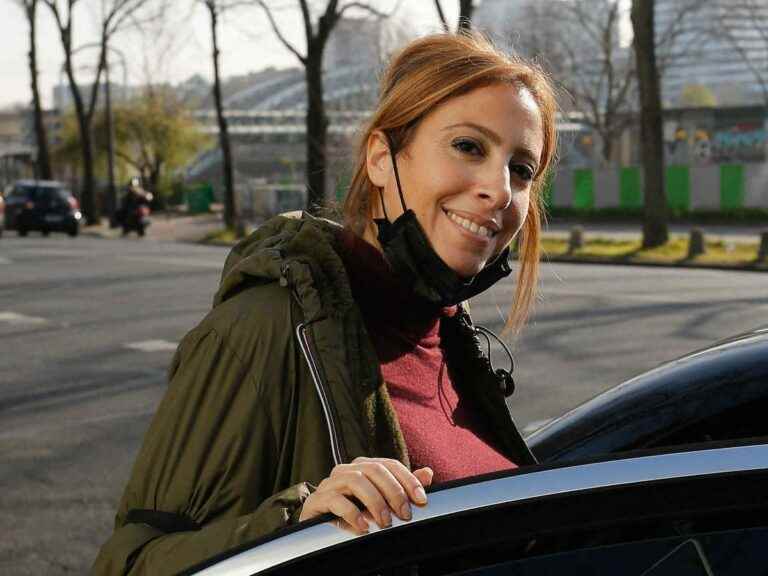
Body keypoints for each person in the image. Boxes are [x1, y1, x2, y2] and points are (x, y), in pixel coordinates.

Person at [92, 31, 558, 575]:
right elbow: (131, 563)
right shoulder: (263, 329)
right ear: (381, 158)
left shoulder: (453, 344)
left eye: (521, 169)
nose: (500, 189)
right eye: (468, 147)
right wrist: (296, 525)